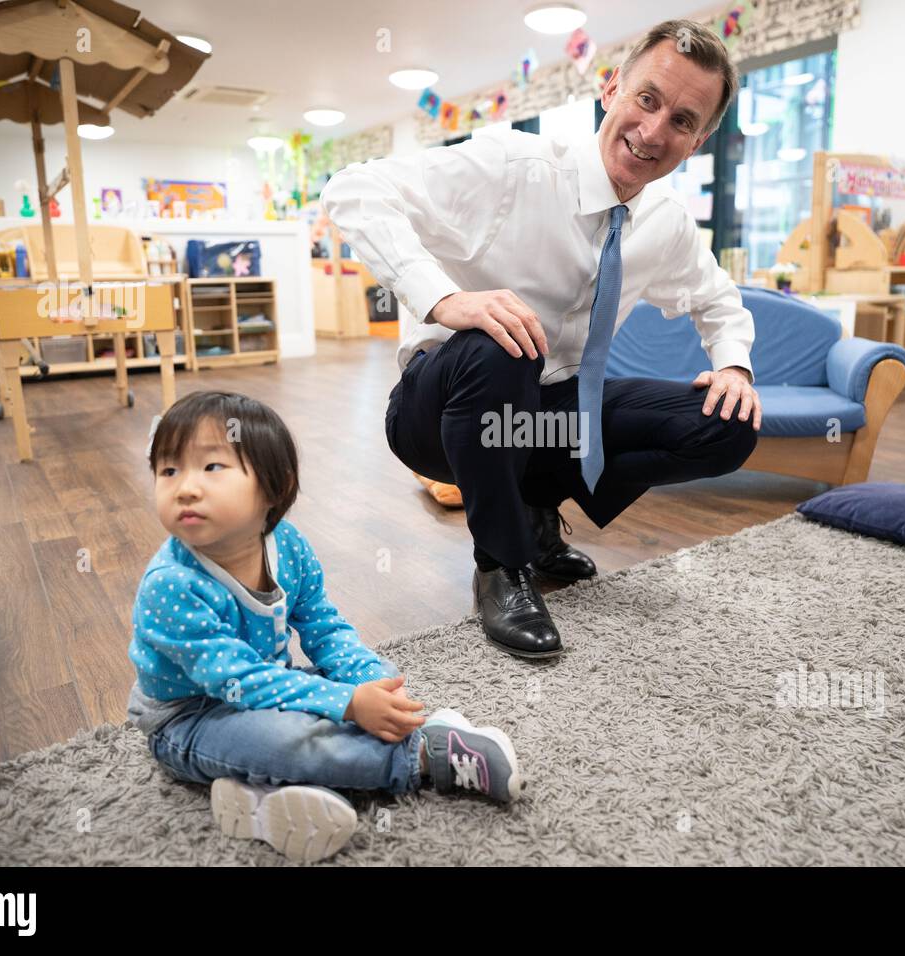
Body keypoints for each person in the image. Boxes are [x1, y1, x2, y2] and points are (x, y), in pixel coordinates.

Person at [321, 19, 761, 659]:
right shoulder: (510, 165)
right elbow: (354, 188)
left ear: (698, 141)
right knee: (506, 338)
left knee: (727, 425)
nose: (654, 131)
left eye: (682, 120)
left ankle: (534, 515)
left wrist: (733, 369)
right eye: (647, 99)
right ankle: (502, 565)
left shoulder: (665, 222)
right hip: (437, 412)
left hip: (543, 420)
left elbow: (718, 299)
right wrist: (445, 298)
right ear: (611, 88)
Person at [126, 390, 523, 862]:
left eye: (211, 468)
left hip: (268, 684)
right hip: (189, 719)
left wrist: (370, 682)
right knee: (287, 738)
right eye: (168, 471)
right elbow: (239, 681)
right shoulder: (172, 585)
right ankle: (426, 758)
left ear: (274, 488)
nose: (184, 487)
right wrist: (348, 705)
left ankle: (260, 802)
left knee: (360, 696)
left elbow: (324, 628)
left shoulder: (288, 546)